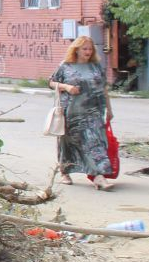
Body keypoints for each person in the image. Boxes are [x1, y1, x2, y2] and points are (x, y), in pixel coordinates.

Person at [49, 36, 116, 190]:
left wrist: (109, 109)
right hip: (71, 112)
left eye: (90, 49)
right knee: (68, 142)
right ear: (76, 50)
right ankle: (65, 171)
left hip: (94, 111)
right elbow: (51, 82)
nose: (88, 51)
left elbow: (104, 88)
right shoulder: (66, 66)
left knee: (96, 142)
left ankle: (99, 177)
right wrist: (66, 87)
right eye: (84, 49)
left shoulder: (96, 67)